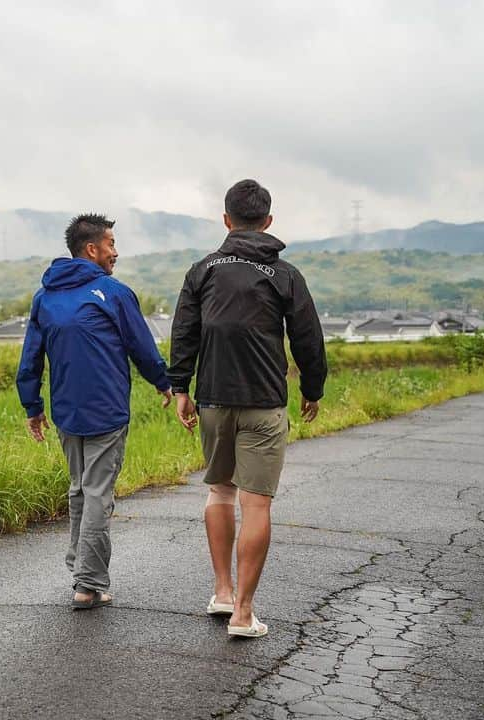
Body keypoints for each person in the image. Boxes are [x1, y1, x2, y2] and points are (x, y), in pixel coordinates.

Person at [168, 179, 327, 637]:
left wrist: (180, 386)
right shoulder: (286, 275)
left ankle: (221, 591)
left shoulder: (203, 269)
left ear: (225, 220)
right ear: (269, 222)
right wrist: (312, 389)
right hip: (264, 403)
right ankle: (243, 612)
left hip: (213, 400)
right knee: (257, 505)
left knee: (220, 492)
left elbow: (185, 331)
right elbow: (308, 338)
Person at [17, 213, 173, 610]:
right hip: (106, 411)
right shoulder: (113, 292)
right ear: (92, 249)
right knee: (97, 494)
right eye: (111, 244)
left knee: (79, 491)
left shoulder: (45, 296)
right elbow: (141, 345)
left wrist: (32, 406)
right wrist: (163, 381)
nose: (115, 252)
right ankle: (88, 584)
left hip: (66, 411)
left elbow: (31, 357)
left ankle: (82, 571)